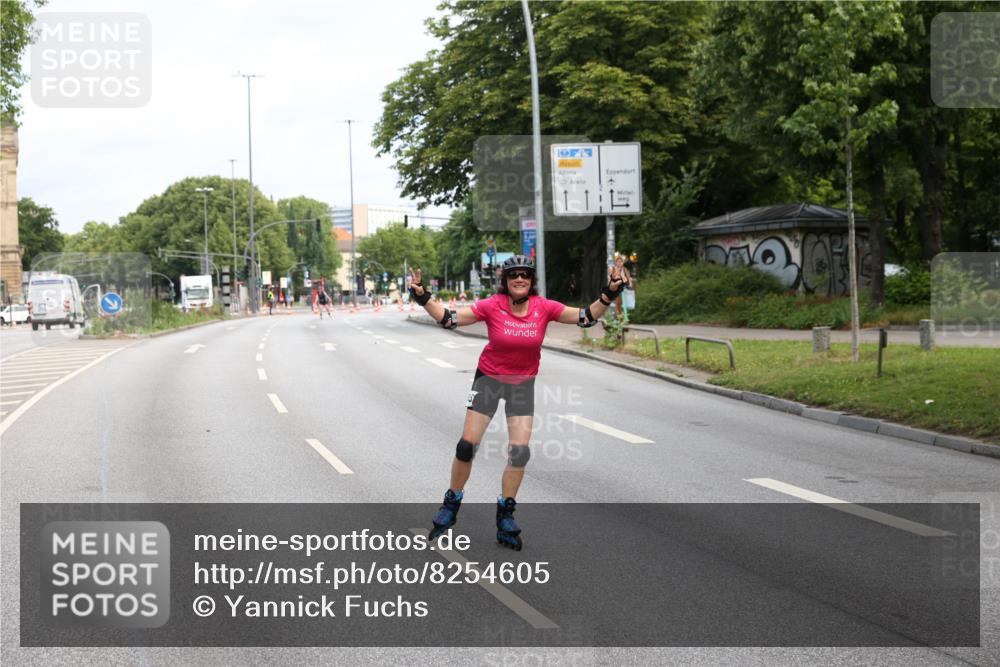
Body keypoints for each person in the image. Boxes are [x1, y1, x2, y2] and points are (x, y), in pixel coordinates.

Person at [410, 255, 629, 550]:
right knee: (467, 445)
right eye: (514, 275)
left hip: (521, 385)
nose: (520, 279)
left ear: (531, 280)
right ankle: (451, 504)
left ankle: (505, 515)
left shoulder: (544, 307)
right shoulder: (492, 305)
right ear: (506, 280)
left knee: (520, 452)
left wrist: (610, 293)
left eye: (525, 275)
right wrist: (423, 297)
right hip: (488, 379)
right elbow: (449, 318)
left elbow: (586, 318)